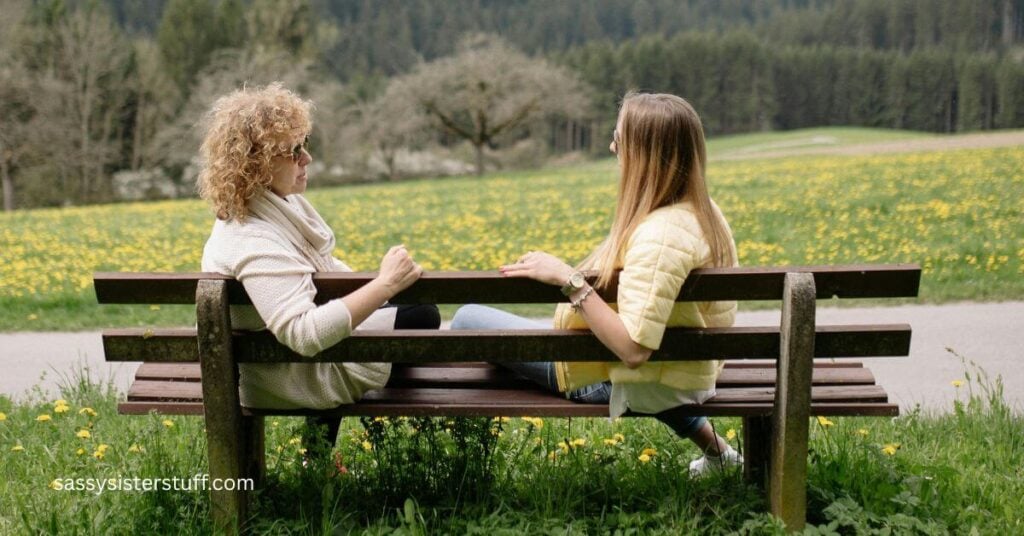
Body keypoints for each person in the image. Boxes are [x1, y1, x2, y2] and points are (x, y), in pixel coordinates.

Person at [451, 92, 742, 476]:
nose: (611, 147)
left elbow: (633, 350)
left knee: (466, 320)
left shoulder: (660, 236)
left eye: (618, 140)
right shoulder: (701, 211)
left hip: (614, 376)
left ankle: (465, 469)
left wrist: (569, 280)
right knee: (524, 333)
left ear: (643, 153)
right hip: (683, 368)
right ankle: (721, 455)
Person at [197, 83, 439, 449]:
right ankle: (320, 453)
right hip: (287, 377)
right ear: (256, 165)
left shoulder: (268, 211)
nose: (306, 158)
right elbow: (304, 334)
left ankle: (317, 458)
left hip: (277, 364)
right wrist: (385, 285)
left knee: (405, 311)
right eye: (293, 152)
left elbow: (319, 283)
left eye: (303, 145)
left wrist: (379, 289)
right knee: (421, 314)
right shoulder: (253, 240)